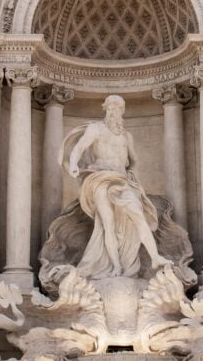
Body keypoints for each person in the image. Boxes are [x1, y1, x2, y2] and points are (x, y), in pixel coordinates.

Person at [61, 95, 169, 278]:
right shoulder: (96, 129)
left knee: (138, 215)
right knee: (108, 224)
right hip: (99, 178)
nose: (114, 111)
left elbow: (134, 160)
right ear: (105, 109)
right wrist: (73, 164)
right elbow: (79, 148)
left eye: (118, 107)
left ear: (122, 111)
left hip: (121, 180)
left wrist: (132, 174)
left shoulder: (126, 136)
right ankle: (116, 266)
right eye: (111, 107)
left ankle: (155, 257)